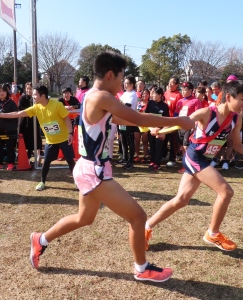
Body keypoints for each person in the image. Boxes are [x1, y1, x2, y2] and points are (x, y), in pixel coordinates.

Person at [28, 51, 196, 282]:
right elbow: (138, 117)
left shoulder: (93, 97)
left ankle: (41, 239)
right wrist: (178, 121)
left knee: (84, 218)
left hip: (92, 168)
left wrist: (150, 129)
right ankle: (142, 267)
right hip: (93, 170)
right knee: (138, 217)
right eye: (121, 78)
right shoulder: (101, 97)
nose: (122, 83)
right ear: (109, 75)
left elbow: (123, 119)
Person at [145, 81, 243, 252]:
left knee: (181, 200)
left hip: (205, 159)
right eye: (241, 99)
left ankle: (145, 227)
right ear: (228, 97)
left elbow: (237, 144)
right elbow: (180, 122)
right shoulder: (207, 112)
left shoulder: (236, 117)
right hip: (194, 156)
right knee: (226, 191)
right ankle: (213, 233)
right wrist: (159, 130)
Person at [0, 85, 76, 191]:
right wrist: (1, 115)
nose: (33, 97)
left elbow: (66, 119)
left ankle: (77, 181)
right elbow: (18, 113)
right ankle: (42, 182)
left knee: (70, 161)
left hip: (64, 138)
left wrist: (70, 133)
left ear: (43, 96)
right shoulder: (36, 107)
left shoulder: (57, 105)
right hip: (51, 140)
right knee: (46, 162)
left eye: (35, 94)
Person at [0, 84, 18, 171]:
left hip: (9, 129)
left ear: (7, 92)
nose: (1, 93)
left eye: (4, 91)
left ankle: (11, 163)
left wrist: (1, 115)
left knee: (10, 147)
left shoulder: (11, 102)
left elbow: (15, 115)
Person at [146, 87, 170, 171]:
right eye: (152, 93)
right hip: (151, 129)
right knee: (151, 145)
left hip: (160, 131)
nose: (152, 95)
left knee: (158, 146)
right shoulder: (150, 103)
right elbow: (146, 115)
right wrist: (151, 128)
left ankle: (157, 163)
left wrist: (163, 131)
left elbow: (167, 120)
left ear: (160, 95)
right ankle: (152, 161)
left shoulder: (164, 106)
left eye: (154, 94)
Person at [18, 82, 43, 160]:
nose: (29, 90)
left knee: (36, 136)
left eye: (31, 89)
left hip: (35, 121)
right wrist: (29, 111)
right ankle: (27, 155)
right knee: (26, 138)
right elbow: (20, 107)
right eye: (27, 89)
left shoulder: (36, 98)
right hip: (25, 121)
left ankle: (39, 153)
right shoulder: (22, 98)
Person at [118, 76, 139, 169]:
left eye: (127, 83)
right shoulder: (125, 93)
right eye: (124, 83)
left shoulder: (133, 94)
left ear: (132, 84)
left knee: (129, 140)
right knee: (122, 140)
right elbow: (119, 102)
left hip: (129, 120)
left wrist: (119, 104)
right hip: (122, 120)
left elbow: (126, 105)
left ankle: (131, 161)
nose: (125, 85)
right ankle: (125, 158)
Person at [163, 77, 183, 167]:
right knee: (164, 139)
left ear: (177, 85)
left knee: (173, 141)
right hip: (164, 121)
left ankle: (172, 159)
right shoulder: (166, 93)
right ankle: (164, 155)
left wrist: (174, 121)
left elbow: (178, 110)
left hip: (173, 121)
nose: (170, 85)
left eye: (172, 83)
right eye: (169, 83)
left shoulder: (178, 96)